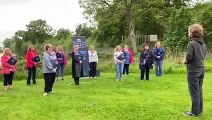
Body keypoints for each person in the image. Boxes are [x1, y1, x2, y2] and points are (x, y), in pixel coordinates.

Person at [183, 24, 206, 116]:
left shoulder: (191, 43)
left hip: (193, 71)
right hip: (201, 69)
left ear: (192, 32)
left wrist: (185, 61)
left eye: (189, 31)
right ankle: (199, 110)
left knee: (194, 92)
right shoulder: (203, 43)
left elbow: (189, 55)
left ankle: (194, 112)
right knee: (199, 90)